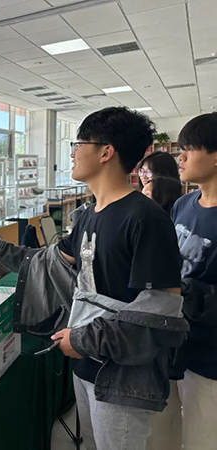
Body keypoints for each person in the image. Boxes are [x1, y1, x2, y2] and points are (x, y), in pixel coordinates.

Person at [0, 107, 187, 450]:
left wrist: (84, 339)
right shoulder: (88, 216)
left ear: (106, 152)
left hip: (122, 377)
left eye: (79, 143)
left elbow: (161, 312)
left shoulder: (146, 219)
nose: (72, 153)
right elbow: (47, 262)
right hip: (85, 365)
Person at [146, 113, 217, 450]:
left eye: (190, 149)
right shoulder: (184, 205)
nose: (181, 157)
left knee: (202, 437)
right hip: (171, 341)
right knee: (164, 432)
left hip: (209, 355)